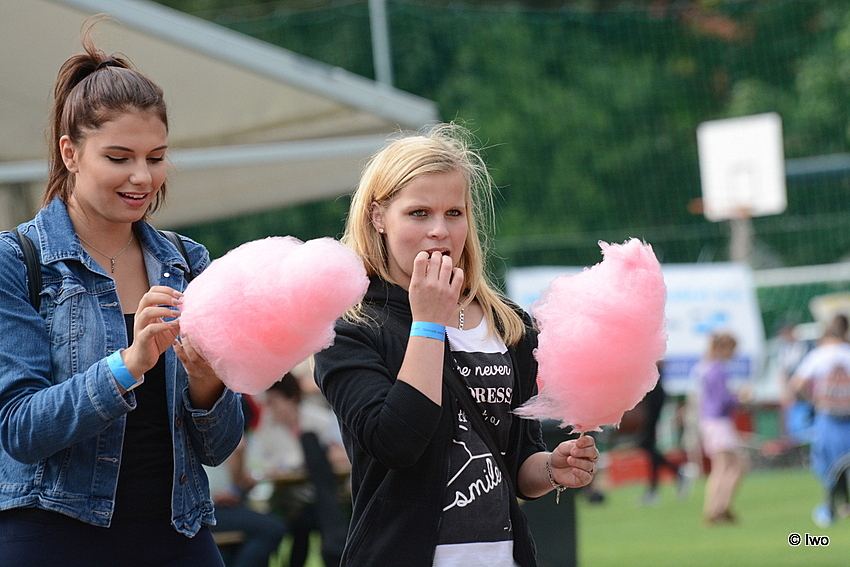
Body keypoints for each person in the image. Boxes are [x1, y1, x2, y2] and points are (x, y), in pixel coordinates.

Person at [0, 21, 244, 566]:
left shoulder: (189, 262)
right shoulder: (17, 260)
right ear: (70, 153)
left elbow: (220, 447)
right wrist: (128, 365)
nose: (142, 177)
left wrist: (208, 382)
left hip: (177, 532)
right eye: (119, 158)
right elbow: (20, 428)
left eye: (155, 158)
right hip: (52, 535)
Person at [313, 123, 599, 567]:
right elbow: (395, 443)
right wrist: (429, 323)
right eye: (418, 213)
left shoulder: (509, 324)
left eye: (454, 213)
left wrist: (551, 468)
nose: (439, 231)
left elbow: (516, 459)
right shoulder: (350, 327)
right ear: (377, 217)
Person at [249, 372, 350, 567]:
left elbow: (344, 455)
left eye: (274, 401)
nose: (270, 408)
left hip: (324, 494)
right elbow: (260, 463)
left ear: (291, 398)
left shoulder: (319, 419)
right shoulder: (268, 427)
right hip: (291, 500)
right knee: (304, 521)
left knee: (311, 518)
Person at [208, 397, 287, 567]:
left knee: (261, 529)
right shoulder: (231, 439)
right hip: (208, 510)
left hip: (212, 507)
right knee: (271, 528)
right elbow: (239, 450)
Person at [791, 313, 850, 528]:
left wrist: (812, 401)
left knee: (828, 465)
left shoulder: (818, 355)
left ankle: (831, 507)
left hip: (827, 417)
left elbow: (796, 384)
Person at [697, 332, 747, 525]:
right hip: (719, 422)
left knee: (726, 466)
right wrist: (740, 398)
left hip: (711, 421)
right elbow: (723, 400)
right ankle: (717, 508)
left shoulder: (707, 367)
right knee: (729, 466)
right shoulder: (717, 370)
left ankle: (719, 508)